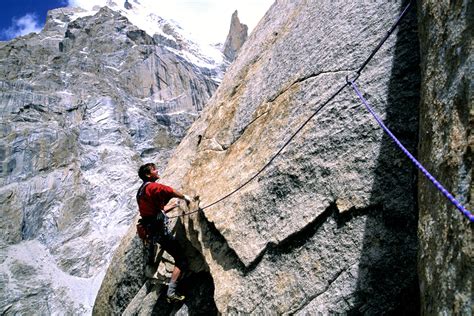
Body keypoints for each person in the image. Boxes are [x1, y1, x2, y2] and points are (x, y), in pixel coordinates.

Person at [136, 162, 191, 303]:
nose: (157, 170)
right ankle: (171, 293)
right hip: (159, 231)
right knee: (181, 259)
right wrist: (184, 197)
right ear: (148, 174)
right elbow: (170, 191)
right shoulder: (153, 187)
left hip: (151, 230)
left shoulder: (141, 191)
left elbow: (150, 213)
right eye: (154, 170)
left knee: (169, 249)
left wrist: (171, 206)